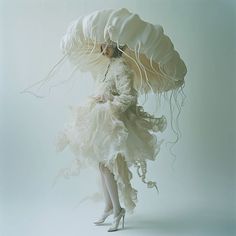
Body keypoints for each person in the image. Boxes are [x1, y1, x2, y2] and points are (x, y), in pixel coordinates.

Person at [56, 41, 167, 232]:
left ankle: (117, 211)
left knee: (108, 165)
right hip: (101, 121)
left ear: (117, 46)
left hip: (113, 124)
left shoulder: (122, 67)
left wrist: (108, 101)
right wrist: (98, 98)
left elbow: (128, 97)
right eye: (101, 46)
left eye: (106, 46)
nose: (102, 50)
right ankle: (109, 207)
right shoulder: (108, 66)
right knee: (102, 165)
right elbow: (104, 90)